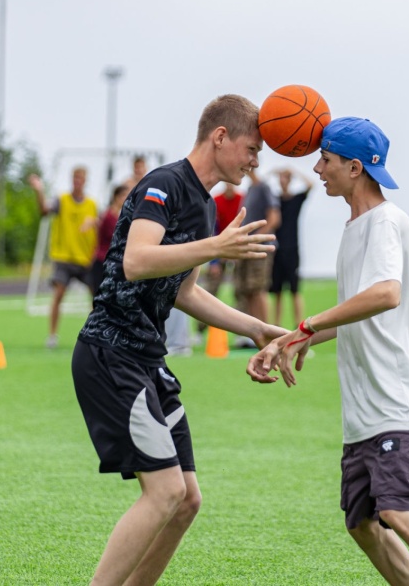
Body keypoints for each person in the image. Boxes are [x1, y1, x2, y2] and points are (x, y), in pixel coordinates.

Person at [71, 94, 286, 586]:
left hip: (147, 359)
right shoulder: (163, 184)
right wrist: (215, 246)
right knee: (165, 491)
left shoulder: (205, 208)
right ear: (220, 137)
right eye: (252, 149)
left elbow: (185, 292)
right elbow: (136, 261)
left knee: (187, 500)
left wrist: (255, 329)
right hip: (110, 353)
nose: (256, 162)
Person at [247, 117, 409, 586]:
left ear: (355, 168)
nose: (317, 169)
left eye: (325, 159)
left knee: (400, 512)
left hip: (397, 399)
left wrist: (308, 325)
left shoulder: (385, 221)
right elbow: (356, 315)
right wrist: (291, 339)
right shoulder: (355, 228)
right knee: (362, 524)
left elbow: (386, 294)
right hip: (364, 409)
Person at [29, 167, 98, 349]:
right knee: (58, 294)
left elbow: (100, 229)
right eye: (75, 178)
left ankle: (95, 334)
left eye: (80, 178)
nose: (77, 181)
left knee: (97, 297)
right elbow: (44, 211)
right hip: (64, 258)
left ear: (85, 181)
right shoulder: (62, 200)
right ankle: (52, 336)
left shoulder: (92, 204)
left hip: (84, 259)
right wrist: (39, 191)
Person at [233, 172, 280, 346]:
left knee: (259, 289)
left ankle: (267, 333)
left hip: (261, 247)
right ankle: (255, 333)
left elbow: (274, 218)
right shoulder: (250, 189)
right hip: (247, 247)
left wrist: (256, 238)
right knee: (249, 290)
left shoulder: (264, 187)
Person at [195, 181, 243, 336]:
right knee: (210, 290)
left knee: (240, 292)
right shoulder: (216, 200)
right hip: (220, 249)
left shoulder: (242, 200)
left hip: (238, 250)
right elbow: (212, 229)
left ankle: (241, 333)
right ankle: (200, 331)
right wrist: (214, 261)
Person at [269, 167, 313, 327]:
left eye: (285, 178)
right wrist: (272, 173)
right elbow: (260, 185)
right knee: (277, 292)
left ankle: (298, 325)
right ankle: (276, 325)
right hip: (276, 250)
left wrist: (294, 172)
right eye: (280, 178)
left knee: (295, 290)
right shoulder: (274, 200)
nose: (282, 181)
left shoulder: (296, 199)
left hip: (292, 250)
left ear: (289, 180)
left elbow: (310, 185)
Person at [89, 184, 132, 291]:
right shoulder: (109, 216)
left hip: (113, 262)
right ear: (116, 197)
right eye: (124, 195)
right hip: (103, 261)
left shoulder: (119, 216)